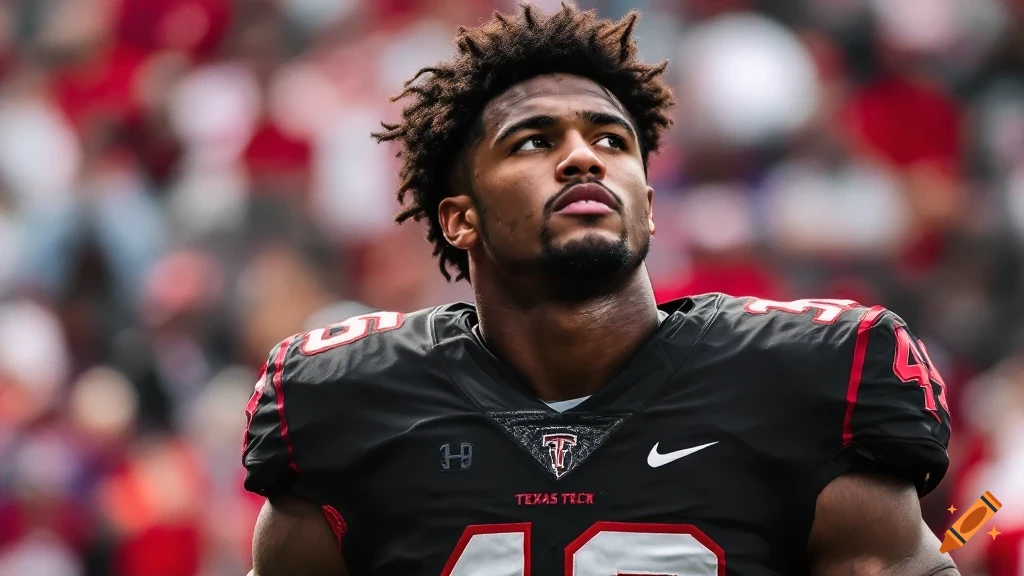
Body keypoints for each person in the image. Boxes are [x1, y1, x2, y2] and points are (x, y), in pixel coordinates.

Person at [241, 4, 957, 575]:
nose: (584, 156)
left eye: (612, 141)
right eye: (533, 142)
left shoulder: (805, 378)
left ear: (647, 200)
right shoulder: (348, 401)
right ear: (460, 219)